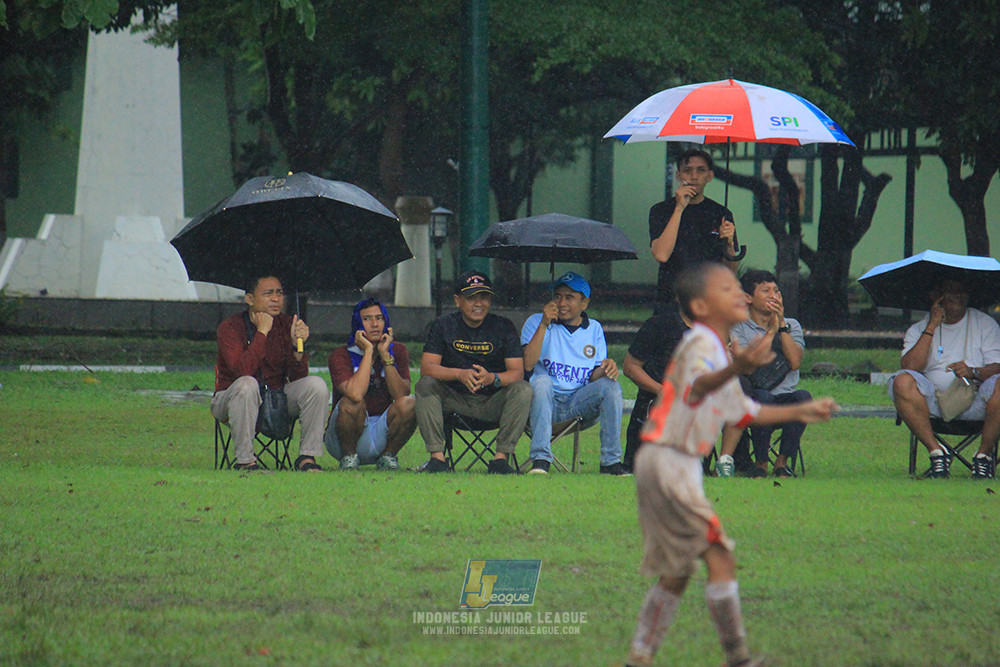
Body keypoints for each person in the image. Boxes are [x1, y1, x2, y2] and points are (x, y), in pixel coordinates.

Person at [626, 262, 836, 667]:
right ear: (702, 305)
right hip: (669, 461)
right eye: (728, 288)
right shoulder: (700, 343)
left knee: (678, 572)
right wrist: (738, 368)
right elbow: (698, 387)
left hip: (674, 463)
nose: (740, 293)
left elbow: (745, 411)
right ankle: (737, 659)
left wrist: (801, 410)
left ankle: (640, 656)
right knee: (719, 556)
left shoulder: (716, 346)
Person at [415, 270, 532, 474]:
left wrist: (492, 378)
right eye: (471, 298)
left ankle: (501, 460)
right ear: (457, 300)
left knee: (523, 389)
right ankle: (437, 459)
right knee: (425, 384)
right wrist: (459, 374)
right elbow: (427, 368)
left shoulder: (504, 327)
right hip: (454, 401)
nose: (479, 303)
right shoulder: (443, 325)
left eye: (484, 297)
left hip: (492, 402)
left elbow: (517, 373)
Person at [211, 274, 330, 472]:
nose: (276, 299)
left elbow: (298, 378)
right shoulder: (230, 328)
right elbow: (242, 371)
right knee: (247, 385)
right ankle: (246, 461)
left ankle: (307, 457)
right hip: (231, 398)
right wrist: (262, 332)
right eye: (268, 294)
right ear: (250, 299)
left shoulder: (285, 324)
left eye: (279, 293)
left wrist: (297, 348)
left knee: (316, 385)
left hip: (276, 398)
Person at [888, 278, 1000, 479]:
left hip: (977, 400)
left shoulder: (984, 324)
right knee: (902, 381)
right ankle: (937, 453)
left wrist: (974, 371)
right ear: (935, 297)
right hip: (931, 403)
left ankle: (983, 456)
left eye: (962, 290)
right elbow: (910, 367)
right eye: (950, 291)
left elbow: (997, 366)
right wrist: (932, 325)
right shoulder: (918, 329)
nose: (957, 296)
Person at [521, 271, 627, 475]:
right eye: (558, 296)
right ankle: (541, 460)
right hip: (542, 402)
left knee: (611, 386)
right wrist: (544, 324)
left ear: (584, 303)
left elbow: (592, 375)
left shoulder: (594, 329)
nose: (561, 303)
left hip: (576, 404)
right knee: (542, 380)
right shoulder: (536, 321)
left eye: (569, 297)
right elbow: (527, 364)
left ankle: (611, 463)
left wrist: (605, 369)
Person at [716, 270, 811, 478]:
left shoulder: (792, 325)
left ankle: (781, 462)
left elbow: (795, 362)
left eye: (776, 291)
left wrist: (782, 327)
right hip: (752, 398)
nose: (773, 296)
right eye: (766, 291)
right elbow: (746, 368)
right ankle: (760, 463)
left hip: (784, 398)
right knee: (763, 397)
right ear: (748, 298)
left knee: (803, 398)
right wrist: (770, 333)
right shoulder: (738, 327)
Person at [324, 297, 416, 471]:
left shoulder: (397, 350)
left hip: (382, 429)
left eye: (379, 318)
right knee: (352, 401)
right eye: (367, 319)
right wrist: (368, 351)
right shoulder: (341, 355)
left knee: (410, 403)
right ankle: (349, 458)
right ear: (357, 324)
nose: (374, 324)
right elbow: (355, 394)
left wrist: (385, 355)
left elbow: (400, 396)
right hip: (344, 435)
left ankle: (387, 457)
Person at [649, 148, 739, 316]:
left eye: (701, 170)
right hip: (670, 302)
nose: (694, 176)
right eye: (687, 170)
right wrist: (679, 208)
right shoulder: (661, 210)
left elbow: (731, 271)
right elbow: (661, 254)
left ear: (710, 176)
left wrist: (729, 243)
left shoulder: (721, 214)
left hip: (709, 302)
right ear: (678, 175)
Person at [621, 309, 689, 472]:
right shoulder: (659, 325)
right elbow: (631, 367)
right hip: (654, 404)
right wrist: (662, 391)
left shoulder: (714, 329)